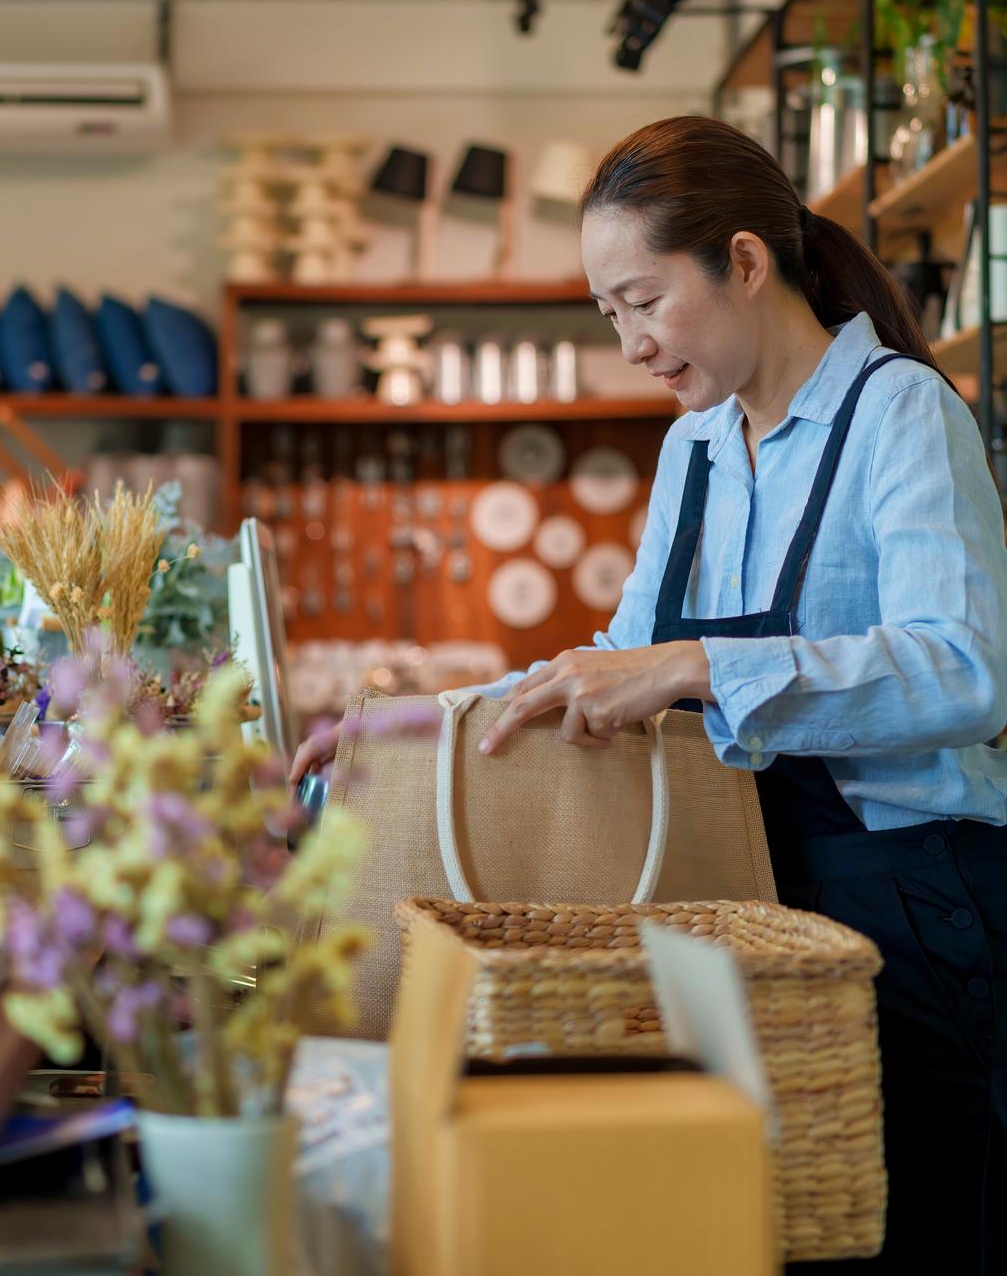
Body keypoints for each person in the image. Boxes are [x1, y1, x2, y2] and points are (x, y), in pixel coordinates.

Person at [292, 115, 1007, 1274]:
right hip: (740, 902)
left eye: (642, 301)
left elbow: (965, 670)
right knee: (756, 1229)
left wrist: (696, 667)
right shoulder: (699, 449)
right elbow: (615, 655)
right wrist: (413, 730)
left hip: (911, 907)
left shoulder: (899, 413)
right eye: (607, 313)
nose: (627, 342)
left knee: (906, 1239)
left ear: (741, 260)